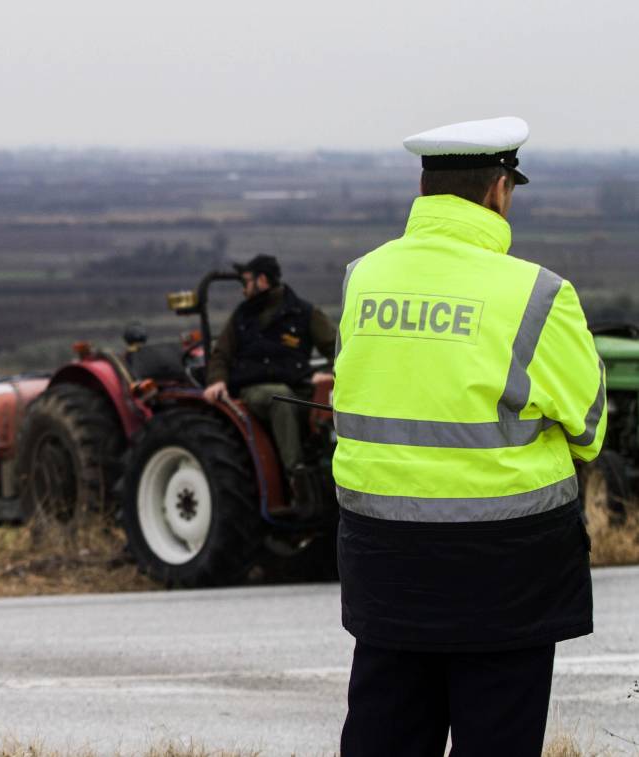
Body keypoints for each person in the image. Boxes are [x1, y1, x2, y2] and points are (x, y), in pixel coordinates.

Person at [332, 117, 604, 756]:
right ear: (498, 192)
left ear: (425, 189)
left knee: (384, 739)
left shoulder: (362, 279)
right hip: (504, 577)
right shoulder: (539, 294)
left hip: (384, 564)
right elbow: (589, 429)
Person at [203, 254, 336, 474]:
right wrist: (217, 381)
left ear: (262, 280)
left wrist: (327, 373)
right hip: (253, 388)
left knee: (327, 402)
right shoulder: (241, 317)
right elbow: (221, 354)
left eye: (246, 282)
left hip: (299, 384)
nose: (243, 290)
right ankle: (297, 474)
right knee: (280, 397)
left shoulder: (304, 313)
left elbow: (338, 350)